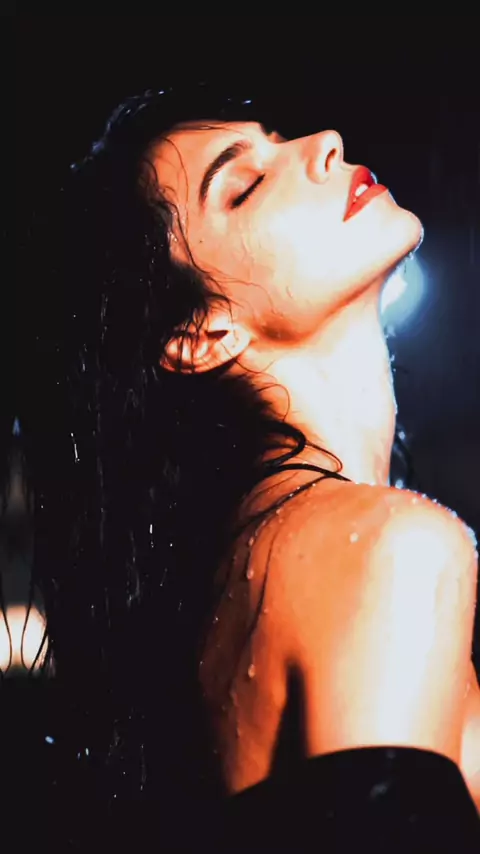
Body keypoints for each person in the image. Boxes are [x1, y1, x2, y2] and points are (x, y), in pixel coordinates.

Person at [13, 82, 479, 850]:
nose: (325, 142)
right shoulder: (387, 547)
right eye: (246, 184)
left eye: (277, 139)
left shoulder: (243, 574)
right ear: (202, 332)